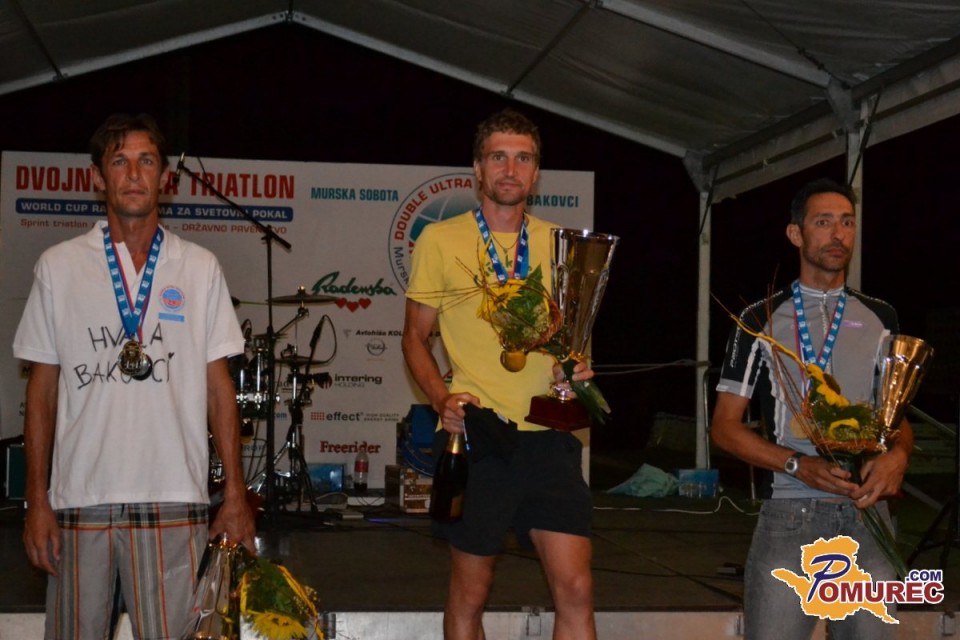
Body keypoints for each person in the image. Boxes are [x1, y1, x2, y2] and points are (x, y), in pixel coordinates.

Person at [14, 113, 256, 640]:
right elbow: (41, 391)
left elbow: (219, 388)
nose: (132, 174)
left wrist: (235, 494)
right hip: (81, 495)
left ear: (165, 178)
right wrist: (37, 501)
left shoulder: (199, 267)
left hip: (174, 493)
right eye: (119, 161)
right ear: (97, 177)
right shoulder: (59, 266)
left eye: (146, 161)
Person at [402, 109, 596, 640]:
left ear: (536, 174)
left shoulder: (562, 244)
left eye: (523, 158)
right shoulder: (440, 240)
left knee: (576, 589)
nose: (511, 169)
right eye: (498, 157)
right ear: (478, 169)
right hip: (479, 436)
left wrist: (577, 370)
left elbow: (573, 343)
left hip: (550, 435)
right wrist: (441, 398)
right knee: (471, 592)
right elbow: (414, 338)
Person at [711, 177, 913, 639]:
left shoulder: (882, 317)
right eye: (823, 223)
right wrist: (797, 465)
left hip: (867, 517)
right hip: (790, 515)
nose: (838, 234)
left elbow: (896, 420)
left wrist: (898, 455)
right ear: (795, 234)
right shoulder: (758, 319)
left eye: (847, 223)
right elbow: (723, 428)